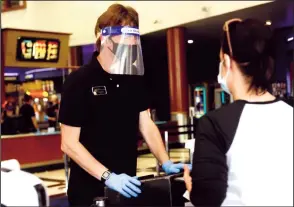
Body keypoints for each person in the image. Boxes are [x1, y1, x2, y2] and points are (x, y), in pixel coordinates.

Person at [58, 3, 191, 206]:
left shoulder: (133, 78)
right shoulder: (79, 81)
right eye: (124, 35)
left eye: (133, 35)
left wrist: (165, 161)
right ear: (104, 38)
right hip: (88, 191)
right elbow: (69, 143)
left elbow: (145, 123)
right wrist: (107, 176)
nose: (130, 41)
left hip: (127, 185)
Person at [184, 18, 293, 206]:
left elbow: (207, 198)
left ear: (226, 61)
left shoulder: (214, 124)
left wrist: (192, 189)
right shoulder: (290, 113)